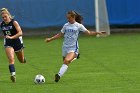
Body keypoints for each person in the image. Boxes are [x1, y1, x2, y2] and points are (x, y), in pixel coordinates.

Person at [45, 10, 106, 82]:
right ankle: (76, 56)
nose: (68, 19)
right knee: (65, 62)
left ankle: (58, 75)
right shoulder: (66, 25)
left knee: (66, 61)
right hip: (64, 47)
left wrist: (97, 32)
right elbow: (60, 34)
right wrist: (50, 39)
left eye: (69, 18)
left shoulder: (79, 26)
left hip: (73, 48)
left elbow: (88, 33)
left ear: (73, 17)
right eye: (67, 18)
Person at [0, 8, 26, 83]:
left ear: (9, 16)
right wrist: (9, 38)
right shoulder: (2, 24)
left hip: (17, 42)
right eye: (3, 17)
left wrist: (11, 37)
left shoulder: (14, 22)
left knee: (21, 60)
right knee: (11, 59)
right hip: (8, 43)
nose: (4, 18)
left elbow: (20, 33)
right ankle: (13, 75)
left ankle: (23, 59)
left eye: (5, 16)